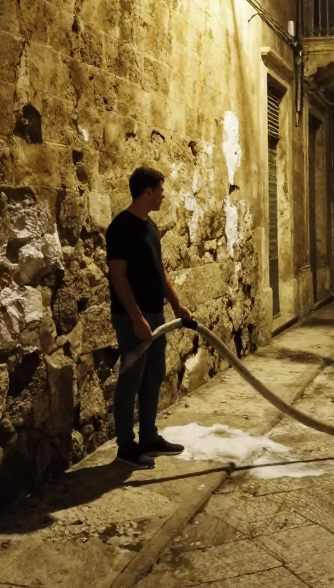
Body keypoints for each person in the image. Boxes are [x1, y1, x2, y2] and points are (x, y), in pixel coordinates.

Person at [106, 166, 194, 469]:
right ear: (147, 192)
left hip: (156, 314)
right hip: (133, 318)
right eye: (160, 190)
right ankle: (125, 447)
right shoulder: (121, 227)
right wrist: (136, 318)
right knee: (130, 379)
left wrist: (177, 304)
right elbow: (118, 276)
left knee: (154, 375)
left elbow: (160, 270)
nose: (163, 196)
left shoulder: (150, 225)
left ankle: (148, 437)